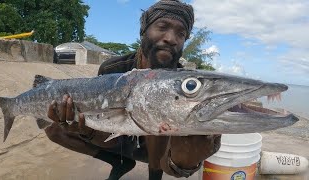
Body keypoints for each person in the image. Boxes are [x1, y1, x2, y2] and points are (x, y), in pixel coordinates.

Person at [45, 0, 221, 179]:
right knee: (54, 130)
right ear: (143, 31)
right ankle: (117, 162)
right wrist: (87, 130)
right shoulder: (112, 69)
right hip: (117, 140)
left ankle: (155, 176)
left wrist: (187, 159)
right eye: (162, 27)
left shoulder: (183, 82)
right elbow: (103, 121)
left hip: (158, 152)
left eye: (181, 34)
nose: (171, 38)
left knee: (157, 111)